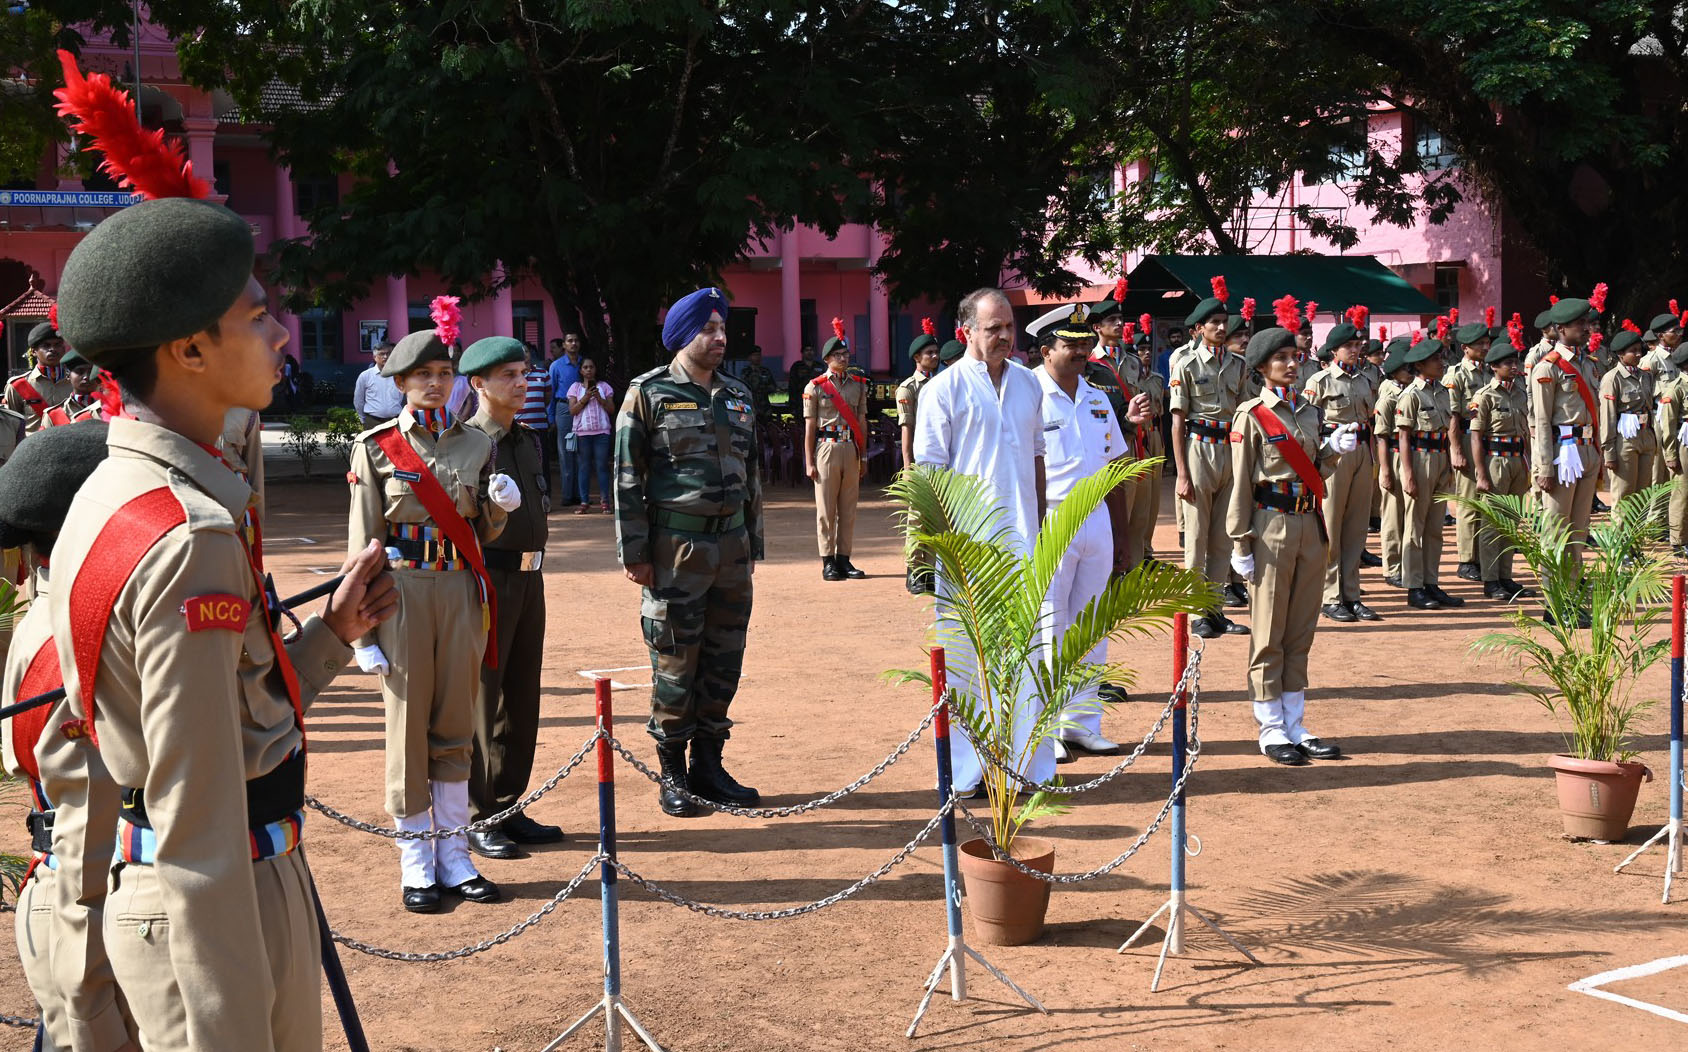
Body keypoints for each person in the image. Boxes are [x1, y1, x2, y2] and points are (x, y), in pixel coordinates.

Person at [49, 193, 396, 1050]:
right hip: (219, 900)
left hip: (190, 885)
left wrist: (329, 640)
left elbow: (222, 717)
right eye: (258, 315)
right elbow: (197, 814)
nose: (283, 334)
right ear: (191, 349)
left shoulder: (115, 491)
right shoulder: (189, 536)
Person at [347, 322, 517, 913]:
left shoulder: (477, 445)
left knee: (453, 725)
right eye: (424, 375)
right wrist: (364, 633)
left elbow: (479, 529)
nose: (436, 383)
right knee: (408, 727)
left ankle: (455, 854)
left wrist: (497, 509)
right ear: (399, 382)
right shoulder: (375, 448)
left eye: (445, 374)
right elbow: (362, 546)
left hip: (460, 590)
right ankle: (416, 860)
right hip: (403, 595)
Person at [0, 424, 131, 1051]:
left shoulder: (42, 617)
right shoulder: (81, 644)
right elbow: (89, 806)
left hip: (61, 885)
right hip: (93, 900)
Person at [615, 287, 763, 816]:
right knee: (676, 663)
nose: (720, 338)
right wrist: (635, 552)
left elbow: (751, 477)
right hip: (675, 551)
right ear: (683, 336)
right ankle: (673, 772)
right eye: (709, 329)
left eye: (723, 329)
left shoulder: (738, 395)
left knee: (725, 660)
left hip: (732, 551)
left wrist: (753, 543)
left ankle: (709, 764)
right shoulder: (648, 394)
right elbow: (627, 479)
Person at [913, 287, 1047, 794]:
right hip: (968, 549)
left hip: (1023, 544)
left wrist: (1041, 527)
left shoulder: (1029, 385)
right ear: (966, 331)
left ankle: (1023, 768)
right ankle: (968, 773)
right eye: (994, 328)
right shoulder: (942, 390)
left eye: (1010, 327)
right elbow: (930, 476)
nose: (1005, 337)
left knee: (1026, 656)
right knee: (968, 661)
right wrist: (938, 548)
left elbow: (1036, 457)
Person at [457, 337, 563, 860]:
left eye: (524, 373)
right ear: (478, 384)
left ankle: (509, 802)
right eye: (508, 376)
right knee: (485, 695)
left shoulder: (526, 440)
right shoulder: (469, 443)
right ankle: (480, 813)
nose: (522, 384)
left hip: (530, 579)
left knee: (522, 695)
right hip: (488, 580)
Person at [1228, 321, 1345, 766]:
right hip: (1270, 526)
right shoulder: (1251, 415)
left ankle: (1296, 724)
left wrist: (1334, 450)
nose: (1292, 364)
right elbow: (1241, 485)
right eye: (1282, 358)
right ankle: (1271, 727)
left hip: (1309, 524)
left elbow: (1317, 471)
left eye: (1295, 356)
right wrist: (1240, 544)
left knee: (1300, 629)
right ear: (1262, 367)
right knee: (1268, 631)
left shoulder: (1309, 412)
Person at [1035, 306, 1149, 759]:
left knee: (1091, 625)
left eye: (1085, 343)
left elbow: (1115, 469)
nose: (1082, 351)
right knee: (1050, 626)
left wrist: (1122, 536)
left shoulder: (1099, 397)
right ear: (1047, 351)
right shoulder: (1029, 394)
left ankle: (1082, 723)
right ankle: (1046, 730)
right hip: (1053, 518)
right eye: (1071, 344)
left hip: (1097, 520)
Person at [1170, 289, 1248, 638]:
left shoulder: (1239, 365)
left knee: (1222, 537)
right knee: (1197, 537)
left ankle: (1215, 609)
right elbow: (1177, 420)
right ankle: (1195, 611)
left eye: (1224, 321)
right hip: (1198, 447)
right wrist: (1182, 473)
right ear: (1199, 327)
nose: (1220, 327)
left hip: (1230, 449)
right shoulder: (1185, 363)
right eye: (1214, 322)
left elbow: (1245, 414)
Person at [1303, 322, 1379, 622]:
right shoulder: (1320, 380)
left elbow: (1369, 420)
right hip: (1334, 450)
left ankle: (1352, 594)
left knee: (1357, 527)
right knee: (1332, 525)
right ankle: (1331, 595)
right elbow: (1308, 420)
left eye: (1357, 344)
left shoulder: (1363, 380)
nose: (1355, 349)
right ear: (1334, 350)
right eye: (1349, 346)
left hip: (1360, 450)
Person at [1531, 297, 1602, 578]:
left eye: (1587, 322)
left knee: (1578, 528)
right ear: (1561, 328)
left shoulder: (1589, 364)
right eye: (1580, 324)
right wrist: (1545, 466)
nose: (1587, 328)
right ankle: (1555, 600)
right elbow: (1542, 421)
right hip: (1563, 451)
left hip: (1586, 450)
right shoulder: (1548, 367)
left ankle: (1572, 592)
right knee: (1557, 529)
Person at [1395, 337, 1464, 610]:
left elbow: (1448, 432)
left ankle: (1431, 582)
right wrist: (1408, 474)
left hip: (1439, 457)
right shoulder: (1411, 394)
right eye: (1436, 359)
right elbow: (1403, 437)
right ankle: (1414, 587)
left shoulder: (1443, 392)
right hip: (1419, 459)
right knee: (1415, 527)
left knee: (1435, 527)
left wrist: (1448, 465)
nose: (1441, 362)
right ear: (1421, 364)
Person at [804, 321, 870, 580]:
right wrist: (808, 462)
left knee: (848, 508)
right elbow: (810, 429)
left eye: (846, 355)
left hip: (850, 448)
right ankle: (827, 561)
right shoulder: (816, 387)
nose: (843, 358)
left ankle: (844, 559)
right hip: (826, 449)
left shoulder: (858, 384)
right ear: (827, 359)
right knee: (826, 510)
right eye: (838, 355)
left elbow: (862, 422)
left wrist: (863, 455)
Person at [1470, 337, 1535, 600]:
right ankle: (1490, 579)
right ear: (1494, 367)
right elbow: (1476, 436)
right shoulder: (1484, 396)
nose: (1514, 366)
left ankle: (1506, 577)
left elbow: (1526, 433)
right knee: (1492, 524)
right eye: (1508, 363)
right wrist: (1481, 473)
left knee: (1512, 522)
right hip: (1495, 461)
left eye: (1515, 361)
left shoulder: (1521, 392)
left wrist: (1530, 465)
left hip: (1518, 460)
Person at [897, 322, 942, 594]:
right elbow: (907, 431)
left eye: (936, 352)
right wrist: (908, 468)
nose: (934, 357)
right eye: (929, 353)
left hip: (939, 459)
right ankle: (914, 570)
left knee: (936, 519)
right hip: (918, 460)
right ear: (917, 358)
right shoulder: (908, 388)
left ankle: (931, 571)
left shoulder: (943, 383)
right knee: (916, 518)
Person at [1446, 323, 1492, 581]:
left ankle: (1481, 555)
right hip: (1464, 437)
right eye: (1479, 344)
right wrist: (1455, 450)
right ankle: (1466, 559)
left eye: (1486, 343)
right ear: (1465, 348)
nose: (1485, 347)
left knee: (1485, 501)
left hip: (1485, 438)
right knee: (1467, 501)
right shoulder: (1457, 375)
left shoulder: (1488, 371)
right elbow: (1453, 415)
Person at [1599, 327, 1657, 519]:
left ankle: (1636, 545)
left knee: (1642, 496)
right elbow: (1607, 416)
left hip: (1645, 436)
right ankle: (1621, 546)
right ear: (1621, 354)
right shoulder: (1612, 378)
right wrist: (1609, 452)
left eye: (1640, 349)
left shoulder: (1646, 376)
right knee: (1624, 495)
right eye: (1633, 350)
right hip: (1625, 440)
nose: (1639, 353)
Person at [1373, 338, 1413, 588]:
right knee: (1391, 515)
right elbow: (1382, 435)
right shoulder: (1389, 394)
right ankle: (1393, 567)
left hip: (1410, 454)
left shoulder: (1411, 392)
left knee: (1407, 516)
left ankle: (1407, 566)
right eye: (1407, 369)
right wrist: (1385, 470)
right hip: (1394, 454)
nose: (1411, 372)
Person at [1127, 327, 1168, 567]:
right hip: (1136, 435)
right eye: (1140, 349)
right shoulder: (1129, 375)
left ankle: (1147, 550)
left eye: (1147, 350)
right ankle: (1135, 553)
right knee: (1137, 497)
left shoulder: (1157, 379)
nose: (1145, 354)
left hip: (1153, 434)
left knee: (1152, 498)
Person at [567, 357, 616, 512]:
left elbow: (611, 410)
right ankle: (584, 501)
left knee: (602, 466)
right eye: (585, 367)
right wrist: (586, 398)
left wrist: (599, 398)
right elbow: (572, 411)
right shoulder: (575, 388)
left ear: (595, 369)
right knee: (584, 467)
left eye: (591, 367)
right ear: (581, 370)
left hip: (602, 432)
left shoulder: (604, 387)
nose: (588, 370)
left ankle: (605, 501)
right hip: (582, 433)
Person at [6, 322, 75, 432]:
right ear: (33, 351)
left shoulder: (77, 382)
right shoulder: (18, 386)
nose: (52, 349)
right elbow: (10, 426)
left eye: (57, 344)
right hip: (32, 447)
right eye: (46, 345)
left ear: (63, 349)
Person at [1657, 340, 1688, 556]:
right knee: (1682, 490)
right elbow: (1667, 425)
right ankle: (1678, 540)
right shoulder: (1676, 387)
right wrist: (1670, 454)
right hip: (1684, 441)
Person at [549, 332, 585, 506]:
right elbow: (550, 392)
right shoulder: (556, 366)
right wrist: (550, 416)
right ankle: (567, 495)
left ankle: (580, 494)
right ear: (564, 345)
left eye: (576, 340)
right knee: (565, 452)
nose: (573, 343)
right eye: (570, 341)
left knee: (581, 451)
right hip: (563, 407)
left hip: (583, 408)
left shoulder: (584, 364)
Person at [43, 348, 113, 426]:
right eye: (80, 372)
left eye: (91, 372)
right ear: (67, 375)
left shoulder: (113, 408)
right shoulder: (54, 415)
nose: (86, 377)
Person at [517, 344, 555, 483]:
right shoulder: (514, 376)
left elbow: (547, 398)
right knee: (522, 461)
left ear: (530, 353)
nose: (524, 354)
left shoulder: (543, 373)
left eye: (526, 351)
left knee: (542, 462)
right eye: (520, 352)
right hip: (519, 427)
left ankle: (546, 495)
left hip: (539, 426)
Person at [354, 342, 405, 429]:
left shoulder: (399, 375)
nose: (385, 357)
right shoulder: (365, 376)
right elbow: (358, 400)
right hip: (373, 421)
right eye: (382, 354)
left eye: (388, 353)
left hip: (395, 421)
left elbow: (404, 398)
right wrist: (363, 419)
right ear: (374, 357)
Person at [741, 345, 778, 426]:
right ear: (749, 358)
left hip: (765, 407)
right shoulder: (745, 372)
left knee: (768, 431)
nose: (757, 357)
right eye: (755, 355)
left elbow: (773, 387)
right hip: (750, 407)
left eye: (759, 355)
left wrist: (763, 389)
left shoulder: (765, 371)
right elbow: (743, 389)